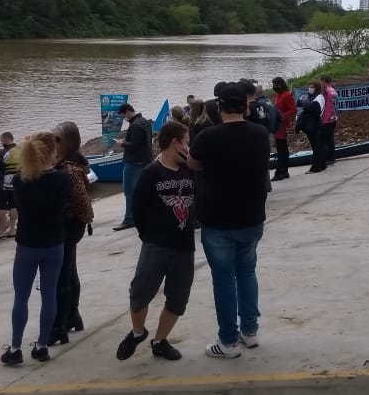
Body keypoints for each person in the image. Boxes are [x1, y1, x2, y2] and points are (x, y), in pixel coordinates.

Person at [186, 82, 268, 359]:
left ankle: (229, 341)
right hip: (253, 217)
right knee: (247, 273)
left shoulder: (208, 137)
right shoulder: (259, 134)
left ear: (219, 108)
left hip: (218, 219)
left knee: (223, 280)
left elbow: (193, 164)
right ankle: (251, 331)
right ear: (246, 106)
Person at [116, 121, 196, 362]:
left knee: (178, 298)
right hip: (156, 245)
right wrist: (148, 236)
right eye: (187, 142)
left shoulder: (190, 169)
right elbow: (138, 210)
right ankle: (138, 332)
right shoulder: (151, 173)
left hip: (184, 245)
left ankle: (160, 341)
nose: (189, 147)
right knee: (140, 292)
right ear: (175, 143)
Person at [0, 132, 71, 365]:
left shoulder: (21, 181)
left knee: (21, 297)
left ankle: (15, 347)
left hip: (28, 243)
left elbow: (19, 206)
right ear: (52, 153)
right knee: (49, 294)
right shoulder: (62, 179)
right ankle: (41, 346)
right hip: (54, 242)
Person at [49, 121, 94, 345]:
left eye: (57, 139)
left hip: (69, 225)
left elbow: (80, 199)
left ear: (68, 143)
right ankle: (73, 316)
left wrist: (79, 218)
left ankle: (60, 323)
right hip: (74, 224)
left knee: (62, 275)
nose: (53, 143)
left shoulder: (69, 169)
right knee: (70, 270)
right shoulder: (74, 164)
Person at [113, 103, 153, 232]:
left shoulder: (135, 125)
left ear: (127, 111)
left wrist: (122, 143)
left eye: (124, 115)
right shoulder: (145, 121)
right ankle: (144, 216)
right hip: (145, 160)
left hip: (134, 162)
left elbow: (134, 145)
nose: (124, 118)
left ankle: (129, 219)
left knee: (129, 191)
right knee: (142, 190)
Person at [297, 80, 327, 174]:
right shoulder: (311, 97)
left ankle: (316, 167)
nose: (310, 89)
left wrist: (305, 104)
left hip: (315, 123)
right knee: (317, 145)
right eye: (309, 87)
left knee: (316, 146)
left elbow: (315, 109)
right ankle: (322, 164)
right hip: (311, 123)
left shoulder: (319, 97)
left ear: (316, 88)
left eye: (312, 87)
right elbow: (300, 103)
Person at [271, 77, 296, 182]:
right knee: (283, 149)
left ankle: (279, 171)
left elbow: (293, 109)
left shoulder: (286, 95)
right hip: (278, 124)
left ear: (280, 84)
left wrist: (282, 116)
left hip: (282, 125)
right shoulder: (278, 95)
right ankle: (284, 171)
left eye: (275, 84)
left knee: (281, 150)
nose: (274, 87)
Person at [320, 75, 339, 165]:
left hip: (326, 119)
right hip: (333, 118)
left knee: (324, 140)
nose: (320, 84)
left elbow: (322, 104)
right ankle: (332, 158)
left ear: (324, 81)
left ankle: (326, 158)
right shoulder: (333, 91)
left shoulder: (326, 91)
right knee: (330, 139)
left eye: (321, 82)